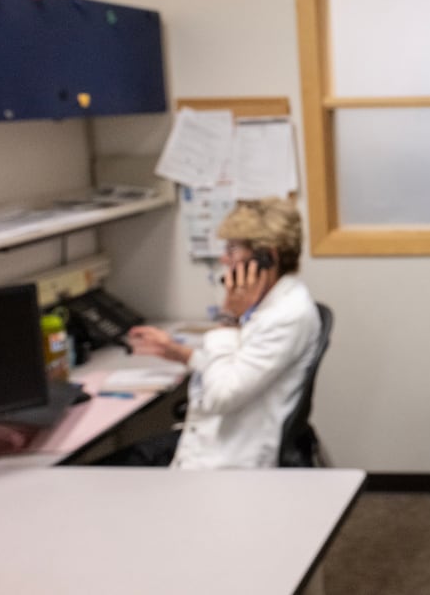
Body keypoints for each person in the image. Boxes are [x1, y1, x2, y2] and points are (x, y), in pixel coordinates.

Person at [99, 197, 320, 468]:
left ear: (267, 258)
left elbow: (221, 395)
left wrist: (228, 319)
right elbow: (237, 366)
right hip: (213, 441)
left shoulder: (286, 316)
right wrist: (179, 353)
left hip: (228, 462)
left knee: (97, 474)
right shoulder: (269, 305)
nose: (224, 259)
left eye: (232, 250)